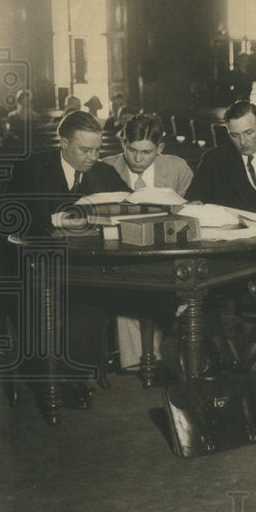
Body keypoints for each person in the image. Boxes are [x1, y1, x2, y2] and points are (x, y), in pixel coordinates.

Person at [5, 111, 130, 408]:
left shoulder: (102, 173)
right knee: (51, 302)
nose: (93, 157)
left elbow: (130, 202)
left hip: (82, 264)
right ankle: (53, 378)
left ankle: (74, 377)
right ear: (63, 143)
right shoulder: (32, 168)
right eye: (85, 150)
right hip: (33, 262)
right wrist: (54, 219)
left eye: (98, 149)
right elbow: (12, 218)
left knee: (87, 299)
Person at [102, 114, 194, 371]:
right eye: (132, 150)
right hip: (123, 254)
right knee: (129, 288)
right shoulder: (106, 168)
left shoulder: (177, 168)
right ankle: (138, 362)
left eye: (147, 152)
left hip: (169, 251)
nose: (138, 159)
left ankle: (161, 356)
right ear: (123, 143)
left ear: (160, 149)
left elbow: (192, 209)